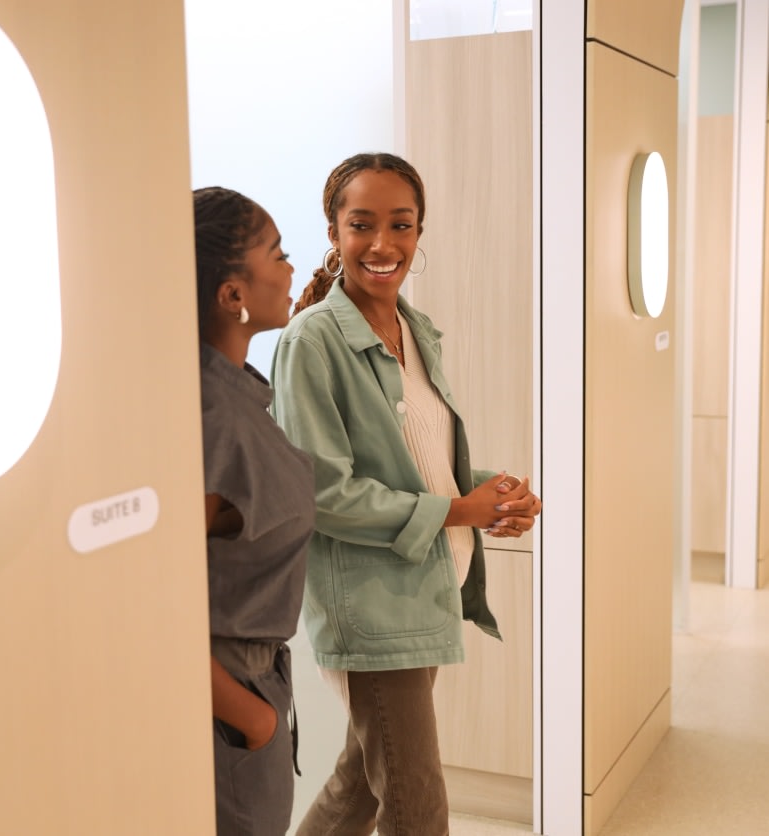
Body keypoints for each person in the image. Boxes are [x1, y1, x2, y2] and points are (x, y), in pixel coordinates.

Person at [269, 153, 542, 836]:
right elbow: (323, 493)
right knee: (418, 808)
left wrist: (492, 493)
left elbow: (417, 461)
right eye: (362, 224)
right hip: (371, 607)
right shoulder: (313, 342)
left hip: (427, 588)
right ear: (333, 232)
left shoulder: (414, 331)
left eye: (402, 225)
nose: (383, 244)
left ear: (421, 233)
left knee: (361, 782)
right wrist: (459, 510)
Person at [194, 186, 316, 836]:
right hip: (228, 704)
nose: (292, 267)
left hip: (257, 686)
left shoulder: (235, 390)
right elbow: (151, 595)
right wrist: (249, 715)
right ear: (232, 295)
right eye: (278, 254)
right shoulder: (211, 419)